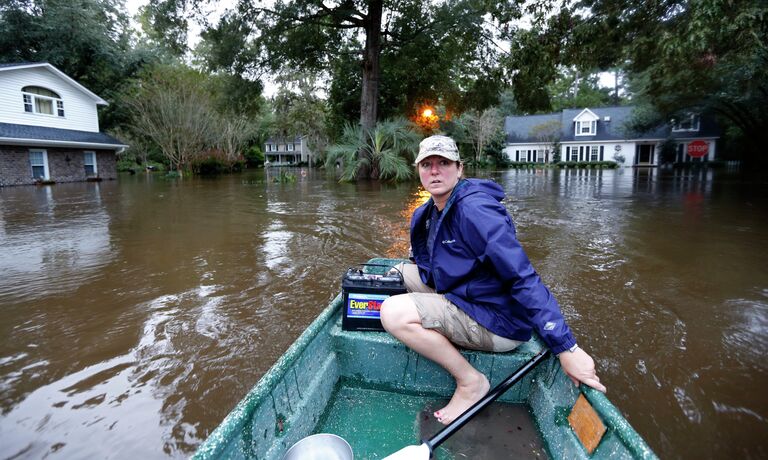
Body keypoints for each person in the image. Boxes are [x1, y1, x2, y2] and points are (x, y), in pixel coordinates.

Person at [380, 135, 606, 426]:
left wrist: (566, 347)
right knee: (398, 271)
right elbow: (434, 261)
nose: (434, 171)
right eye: (427, 164)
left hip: (498, 321)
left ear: (459, 169)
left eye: (443, 163)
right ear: (419, 171)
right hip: (467, 295)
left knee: (392, 313)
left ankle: (470, 382)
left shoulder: (476, 211)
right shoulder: (435, 210)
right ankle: (429, 316)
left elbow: (522, 277)